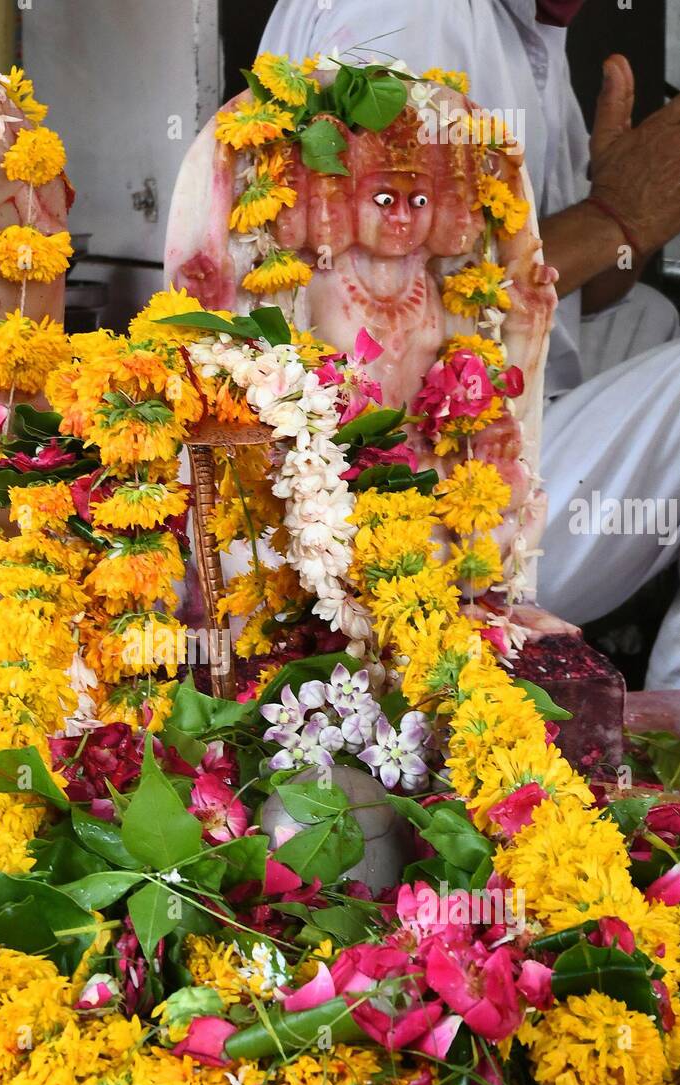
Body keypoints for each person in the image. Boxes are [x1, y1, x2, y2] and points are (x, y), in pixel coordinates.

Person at [260, 0, 680, 687]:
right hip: (388, 504)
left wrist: (628, 213)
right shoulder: (411, 14)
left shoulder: (526, 28)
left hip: (486, 422)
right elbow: (389, 329)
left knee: (649, 315)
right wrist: (616, 217)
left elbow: (569, 295)